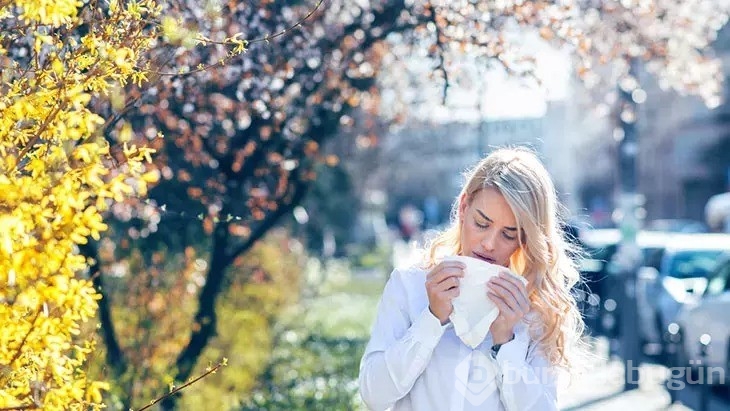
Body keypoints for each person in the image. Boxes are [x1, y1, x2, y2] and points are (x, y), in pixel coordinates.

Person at [359, 147, 587, 410]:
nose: (489, 243)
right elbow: (374, 396)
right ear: (464, 208)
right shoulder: (409, 286)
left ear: (524, 240)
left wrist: (505, 342)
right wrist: (431, 320)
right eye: (482, 224)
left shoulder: (533, 313)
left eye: (508, 234)